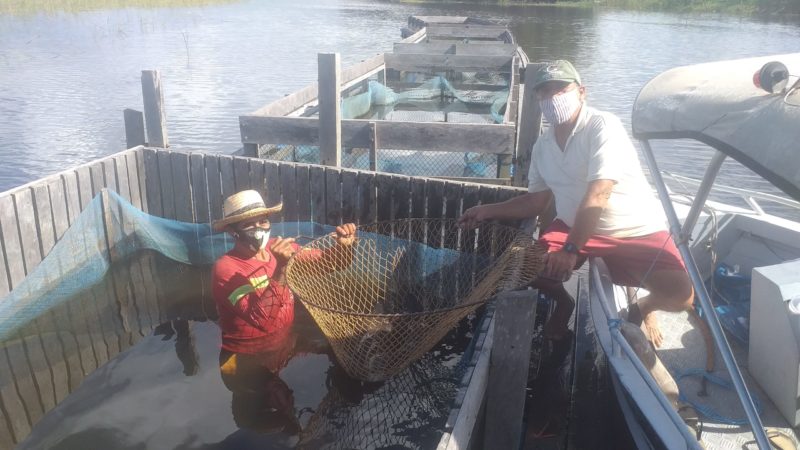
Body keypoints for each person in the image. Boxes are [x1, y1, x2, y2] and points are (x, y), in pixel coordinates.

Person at [458, 60, 693, 347]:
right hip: (572, 224)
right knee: (524, 267)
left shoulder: (602, 126)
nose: (552, 97)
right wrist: (486, 211)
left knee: (681, 298)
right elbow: (536, 201)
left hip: (634, 228)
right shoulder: (543, 146)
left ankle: (644, 308)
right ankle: (564, 303)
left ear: (582, 92)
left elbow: (599, 193)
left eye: (561, 88)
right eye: (544, 92)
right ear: (537, 100)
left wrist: (570, 250)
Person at [211, 189, 356, 354]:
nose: (258, 229)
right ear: (232, 231)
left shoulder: (278, 249)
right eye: (248, 224)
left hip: (287, 340)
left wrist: (345, 247)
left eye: (263, 221)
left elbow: (332, 264)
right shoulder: (225, 269)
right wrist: (281, 268)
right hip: (247, 356)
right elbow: (261, 320)